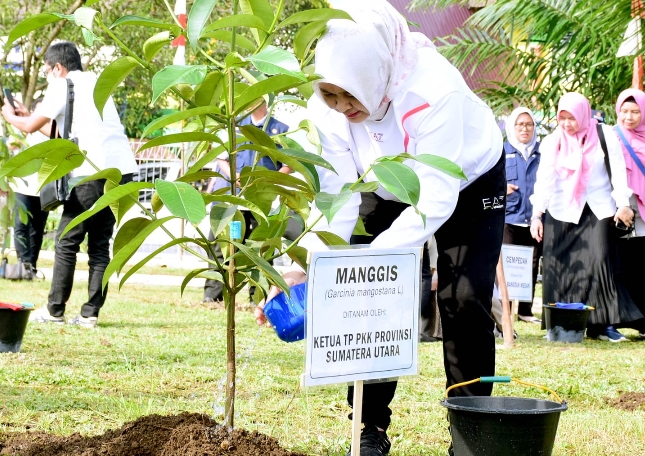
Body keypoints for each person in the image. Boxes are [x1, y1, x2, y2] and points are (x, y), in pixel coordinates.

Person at [254, 1, 505, 454]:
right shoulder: (327, 110)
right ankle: (369, 427)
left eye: (350, 95)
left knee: (464, 299)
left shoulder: (434, 91)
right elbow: (337, 197)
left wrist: (374, 260)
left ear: (376, 73)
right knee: (370, 297)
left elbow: (434, 197)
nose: (341, 107)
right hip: (381, 178)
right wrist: (298, 268)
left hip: (465, 178)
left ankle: (470, 433)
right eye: (330, 95)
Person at [1, 41, 138, 328]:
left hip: (92, 171)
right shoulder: (98, 83)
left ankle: (54, 310)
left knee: (66, 239)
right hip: (122, 170)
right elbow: (65, 132)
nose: (48, 76)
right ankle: (90, 314)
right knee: (100, 244)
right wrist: (29, 116)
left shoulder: (62, 84)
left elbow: (28, 129)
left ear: (58, 68)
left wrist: (9, 116)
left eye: (48, 71)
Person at [529, 92, 643, 342]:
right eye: (563, 118)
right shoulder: (552, 142)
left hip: (598, 209)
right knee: (562, 268)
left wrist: (623, 204)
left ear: (583, 114)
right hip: (562, 211)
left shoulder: (605, 135)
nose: (567, 124)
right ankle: (561, 325)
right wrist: (537, 215)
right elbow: (544, 181)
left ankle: (602, 326)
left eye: (572, 118)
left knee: (600, 264)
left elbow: (618, 173)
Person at [203, 100, 290, 303]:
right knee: (223, 244)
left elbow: (287, 165)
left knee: (260, 247)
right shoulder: (235, 127)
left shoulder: (280, 130)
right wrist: (237, 177)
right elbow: (221, 159)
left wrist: (268, 181)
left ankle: (257, 295)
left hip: (261, 201)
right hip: (232, 201)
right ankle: (213, 295)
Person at [503, 107, 543, 323]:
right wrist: (503, 187)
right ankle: (505, 309)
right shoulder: (503, 151)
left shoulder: (542, 152)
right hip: (510, 216)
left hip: (534, 218)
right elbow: (492, 178)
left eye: (529, 124)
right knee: (509, 265)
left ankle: (525, 311)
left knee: (533, 264)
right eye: (520, 124)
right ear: (512, 127)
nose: (525, 129)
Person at [613, 89, 645, 336]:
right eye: (624, 111)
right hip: (622, 207)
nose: (629, 117)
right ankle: (628, 317)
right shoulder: (611, 137)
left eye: (635, 112)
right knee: (625, 262)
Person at [9, 98, 49, 273]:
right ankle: (23, 263)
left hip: (44, 187)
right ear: (32, 112)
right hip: (22, 187)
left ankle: (31, 265)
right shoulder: (24, 128)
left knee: (37, 228)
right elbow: (11, 144)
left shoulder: (52, 130)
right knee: (20, 226)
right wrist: (25, 127)